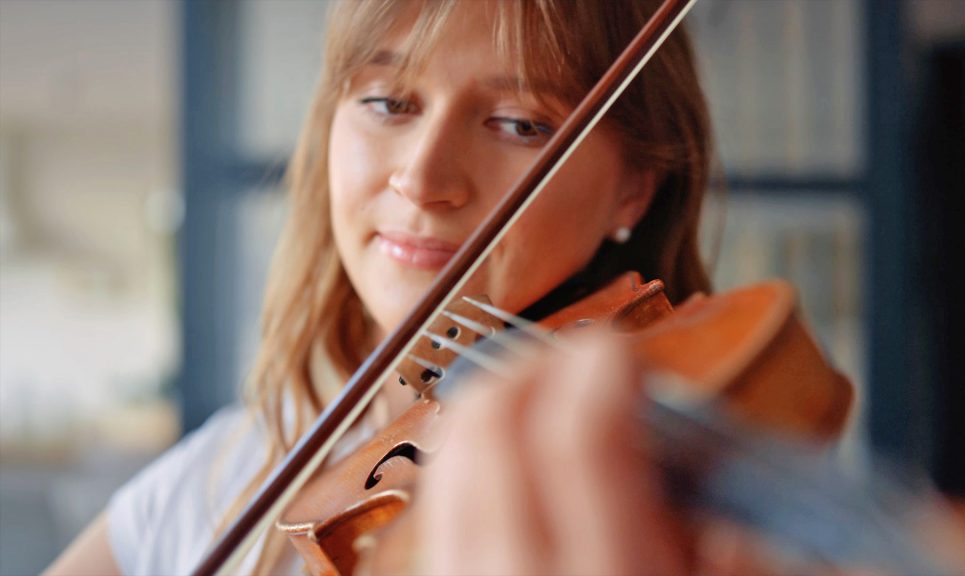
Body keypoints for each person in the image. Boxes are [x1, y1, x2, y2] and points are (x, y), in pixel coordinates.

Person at [46, 0, 716, 573]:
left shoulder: (672, 500)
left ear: (633, 190)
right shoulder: (225, 469)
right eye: (388, 103)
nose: (422, 180)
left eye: (519, 123)